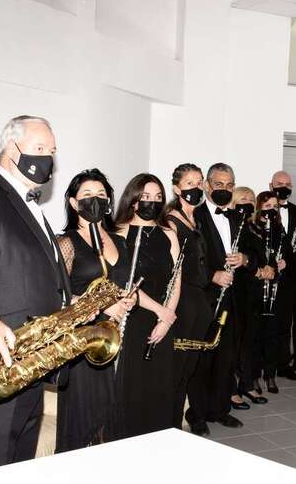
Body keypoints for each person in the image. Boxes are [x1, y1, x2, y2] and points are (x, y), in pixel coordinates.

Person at [0, 115, 71, 467]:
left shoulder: (33, 208)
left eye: (52, 151)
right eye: (39, 148)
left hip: (31, 362)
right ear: (11, 149)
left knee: (21, 465)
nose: (48, 158)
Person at [55, 169, 135, 452]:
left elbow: (123, 285)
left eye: (101, 194)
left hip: (117, 336)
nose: (95, 200)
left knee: (113, 415)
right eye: (87, 194)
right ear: (73, 202)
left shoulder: (120, 241)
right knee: (86, 419)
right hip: (85, 342)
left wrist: (128, 300)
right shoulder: (66, 242)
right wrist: (102, 305)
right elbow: (56, 296)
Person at [114, 173, 180, 438]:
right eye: (145, 197)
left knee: (160, 386)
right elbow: (124, 283)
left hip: (164, 321)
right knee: (133, 386)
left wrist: (167, 318)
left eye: (158, 197)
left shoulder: (169, 233)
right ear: (133, 199)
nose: (152, 202)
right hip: (133, 317)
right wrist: (159, 310)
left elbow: (176, 278)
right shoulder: (118, 233)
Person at [187, 163, 252, 432]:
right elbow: (187, 259)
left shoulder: (238, 217)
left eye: (229, 185)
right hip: (205, 298)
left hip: (233, 298)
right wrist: (212, 275)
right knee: (202, 358)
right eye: (219, 184)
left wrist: (245, 258)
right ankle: (197, 414)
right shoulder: (194, 216)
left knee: (227, 356)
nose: (224, 189)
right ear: (206, 186)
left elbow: (254, 251)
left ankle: (220, 409)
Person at [164, 164, 214, 431]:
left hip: (199, 298)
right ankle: (168, 424)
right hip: (183, 300)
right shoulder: (171, 221)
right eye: (189, 183)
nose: (196, 187)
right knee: (178, 368)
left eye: (199, 182)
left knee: (191, 367)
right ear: (177, 188)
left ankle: (181, 420)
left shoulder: (197, 219)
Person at [249, 191, 292, 394]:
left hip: (276, 288)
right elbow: (250, 256)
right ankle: (254, 376)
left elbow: (287, 253)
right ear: (259, 208)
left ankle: (270, 374)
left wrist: (284, 262)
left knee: (272, 333)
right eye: (267, 206)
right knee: (256, 334)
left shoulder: (279, 229)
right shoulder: (252, 229)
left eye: (275, 207)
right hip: (257, 286)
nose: (272, 210)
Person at [232, 187, 269, 406]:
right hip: (236, 289)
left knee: (249, 341)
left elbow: (259, 255)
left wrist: (266, 268)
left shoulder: (255, 227)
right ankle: (231, 389)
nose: (248, 202)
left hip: (253, 291)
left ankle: (247, 384)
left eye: (251, 199)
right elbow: (238, 257)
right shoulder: (232, 225)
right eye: (243, 198)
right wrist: (255, 267)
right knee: (234, 343)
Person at [269, 170, 296, 379]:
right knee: (267, 323)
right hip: (268, 275)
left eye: (288, 184)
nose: (284, 187)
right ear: (271, 185)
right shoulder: (263, 208)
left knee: (285, 323)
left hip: (289, 276)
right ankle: (265, 364)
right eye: (279, 183)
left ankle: (283, 365)